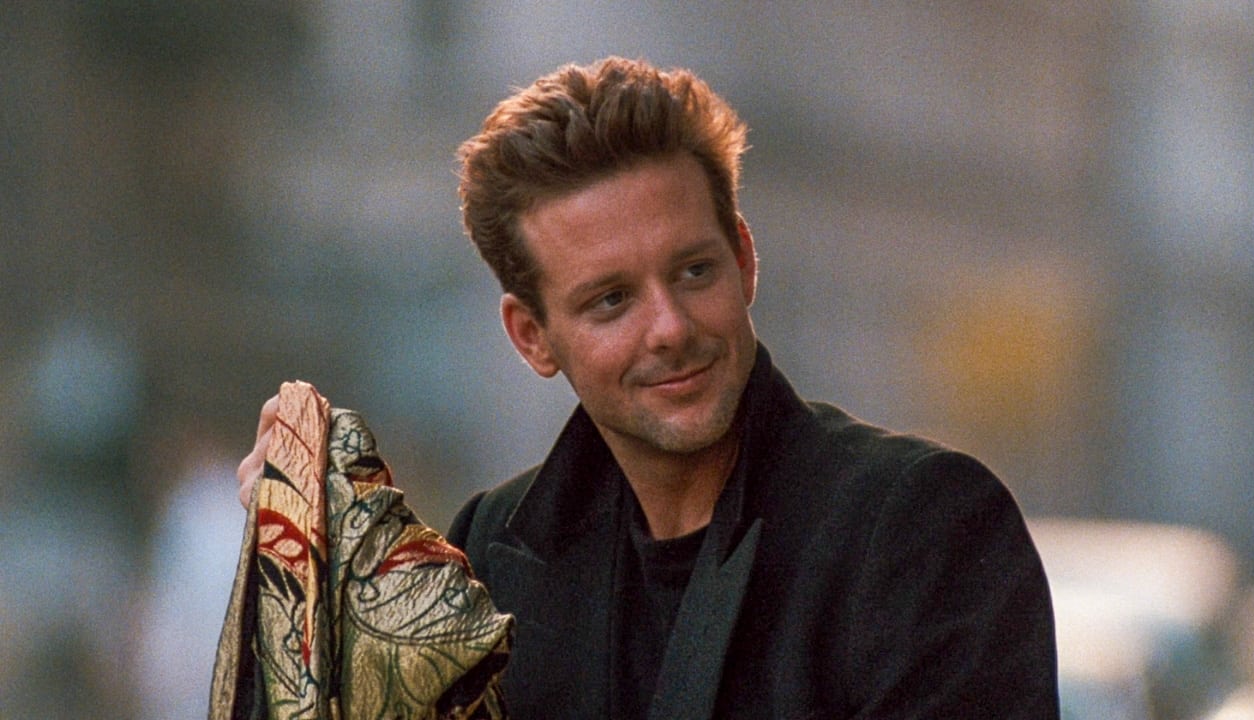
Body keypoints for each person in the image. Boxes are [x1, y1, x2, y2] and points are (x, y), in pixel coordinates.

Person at [238, 57, 1059, 718]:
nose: (668, 327)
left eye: (694, 271)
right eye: (611, 301)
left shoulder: (920, 528)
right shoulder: (493, 555)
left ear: (744, 260)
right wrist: (328, 598)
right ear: (532, 337)